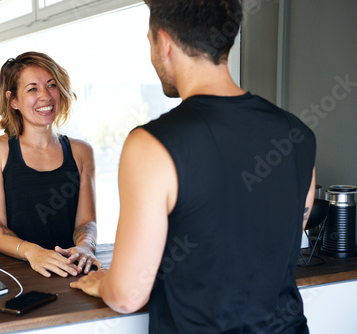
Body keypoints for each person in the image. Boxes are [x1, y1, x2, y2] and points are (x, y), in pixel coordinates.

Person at [70, 1, 316, 333]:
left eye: (149, 42)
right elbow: (270, 243)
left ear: (164, 41)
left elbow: (127, 296)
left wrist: (102, 283)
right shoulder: (298, 134)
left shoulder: (150, 144)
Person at [0, 51, 100, 278]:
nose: (46, 96)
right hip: (13, 273)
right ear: (13, 100)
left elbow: (86, 221)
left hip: (67, 270)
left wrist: (85, 246)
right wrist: (34, 252)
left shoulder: (82, 151)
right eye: (32, 89)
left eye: (51, 85)